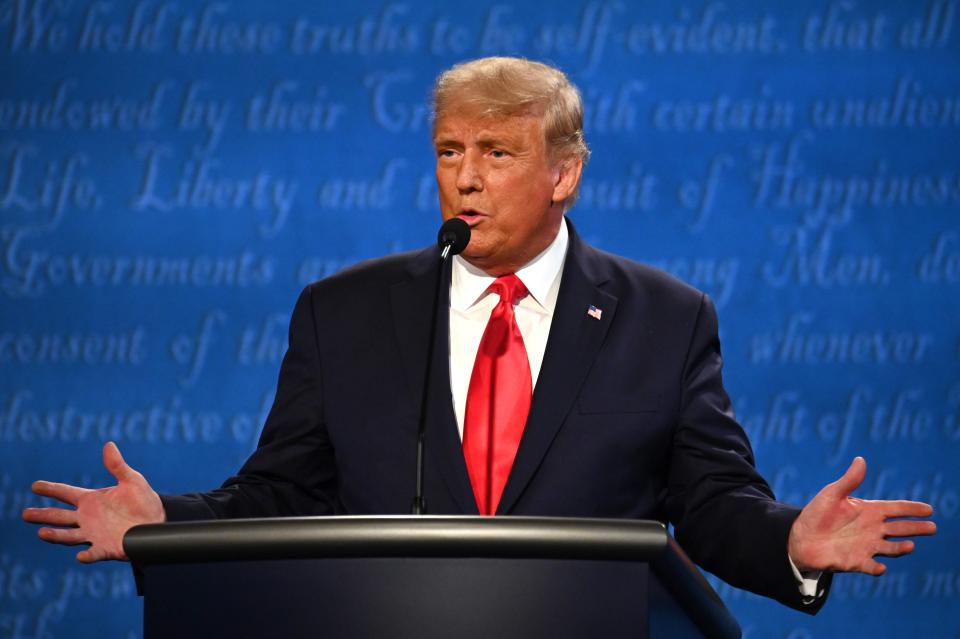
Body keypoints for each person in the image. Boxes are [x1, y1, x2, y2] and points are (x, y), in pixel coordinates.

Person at [24, 57, 936, 612]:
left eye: (497, 154)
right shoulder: (345, 314)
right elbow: (280, 491)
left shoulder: (665, 319)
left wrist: (788, 543)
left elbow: (711, 501)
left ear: (565, 173)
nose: (466, 178)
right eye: (449, 151)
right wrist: (165, 525)